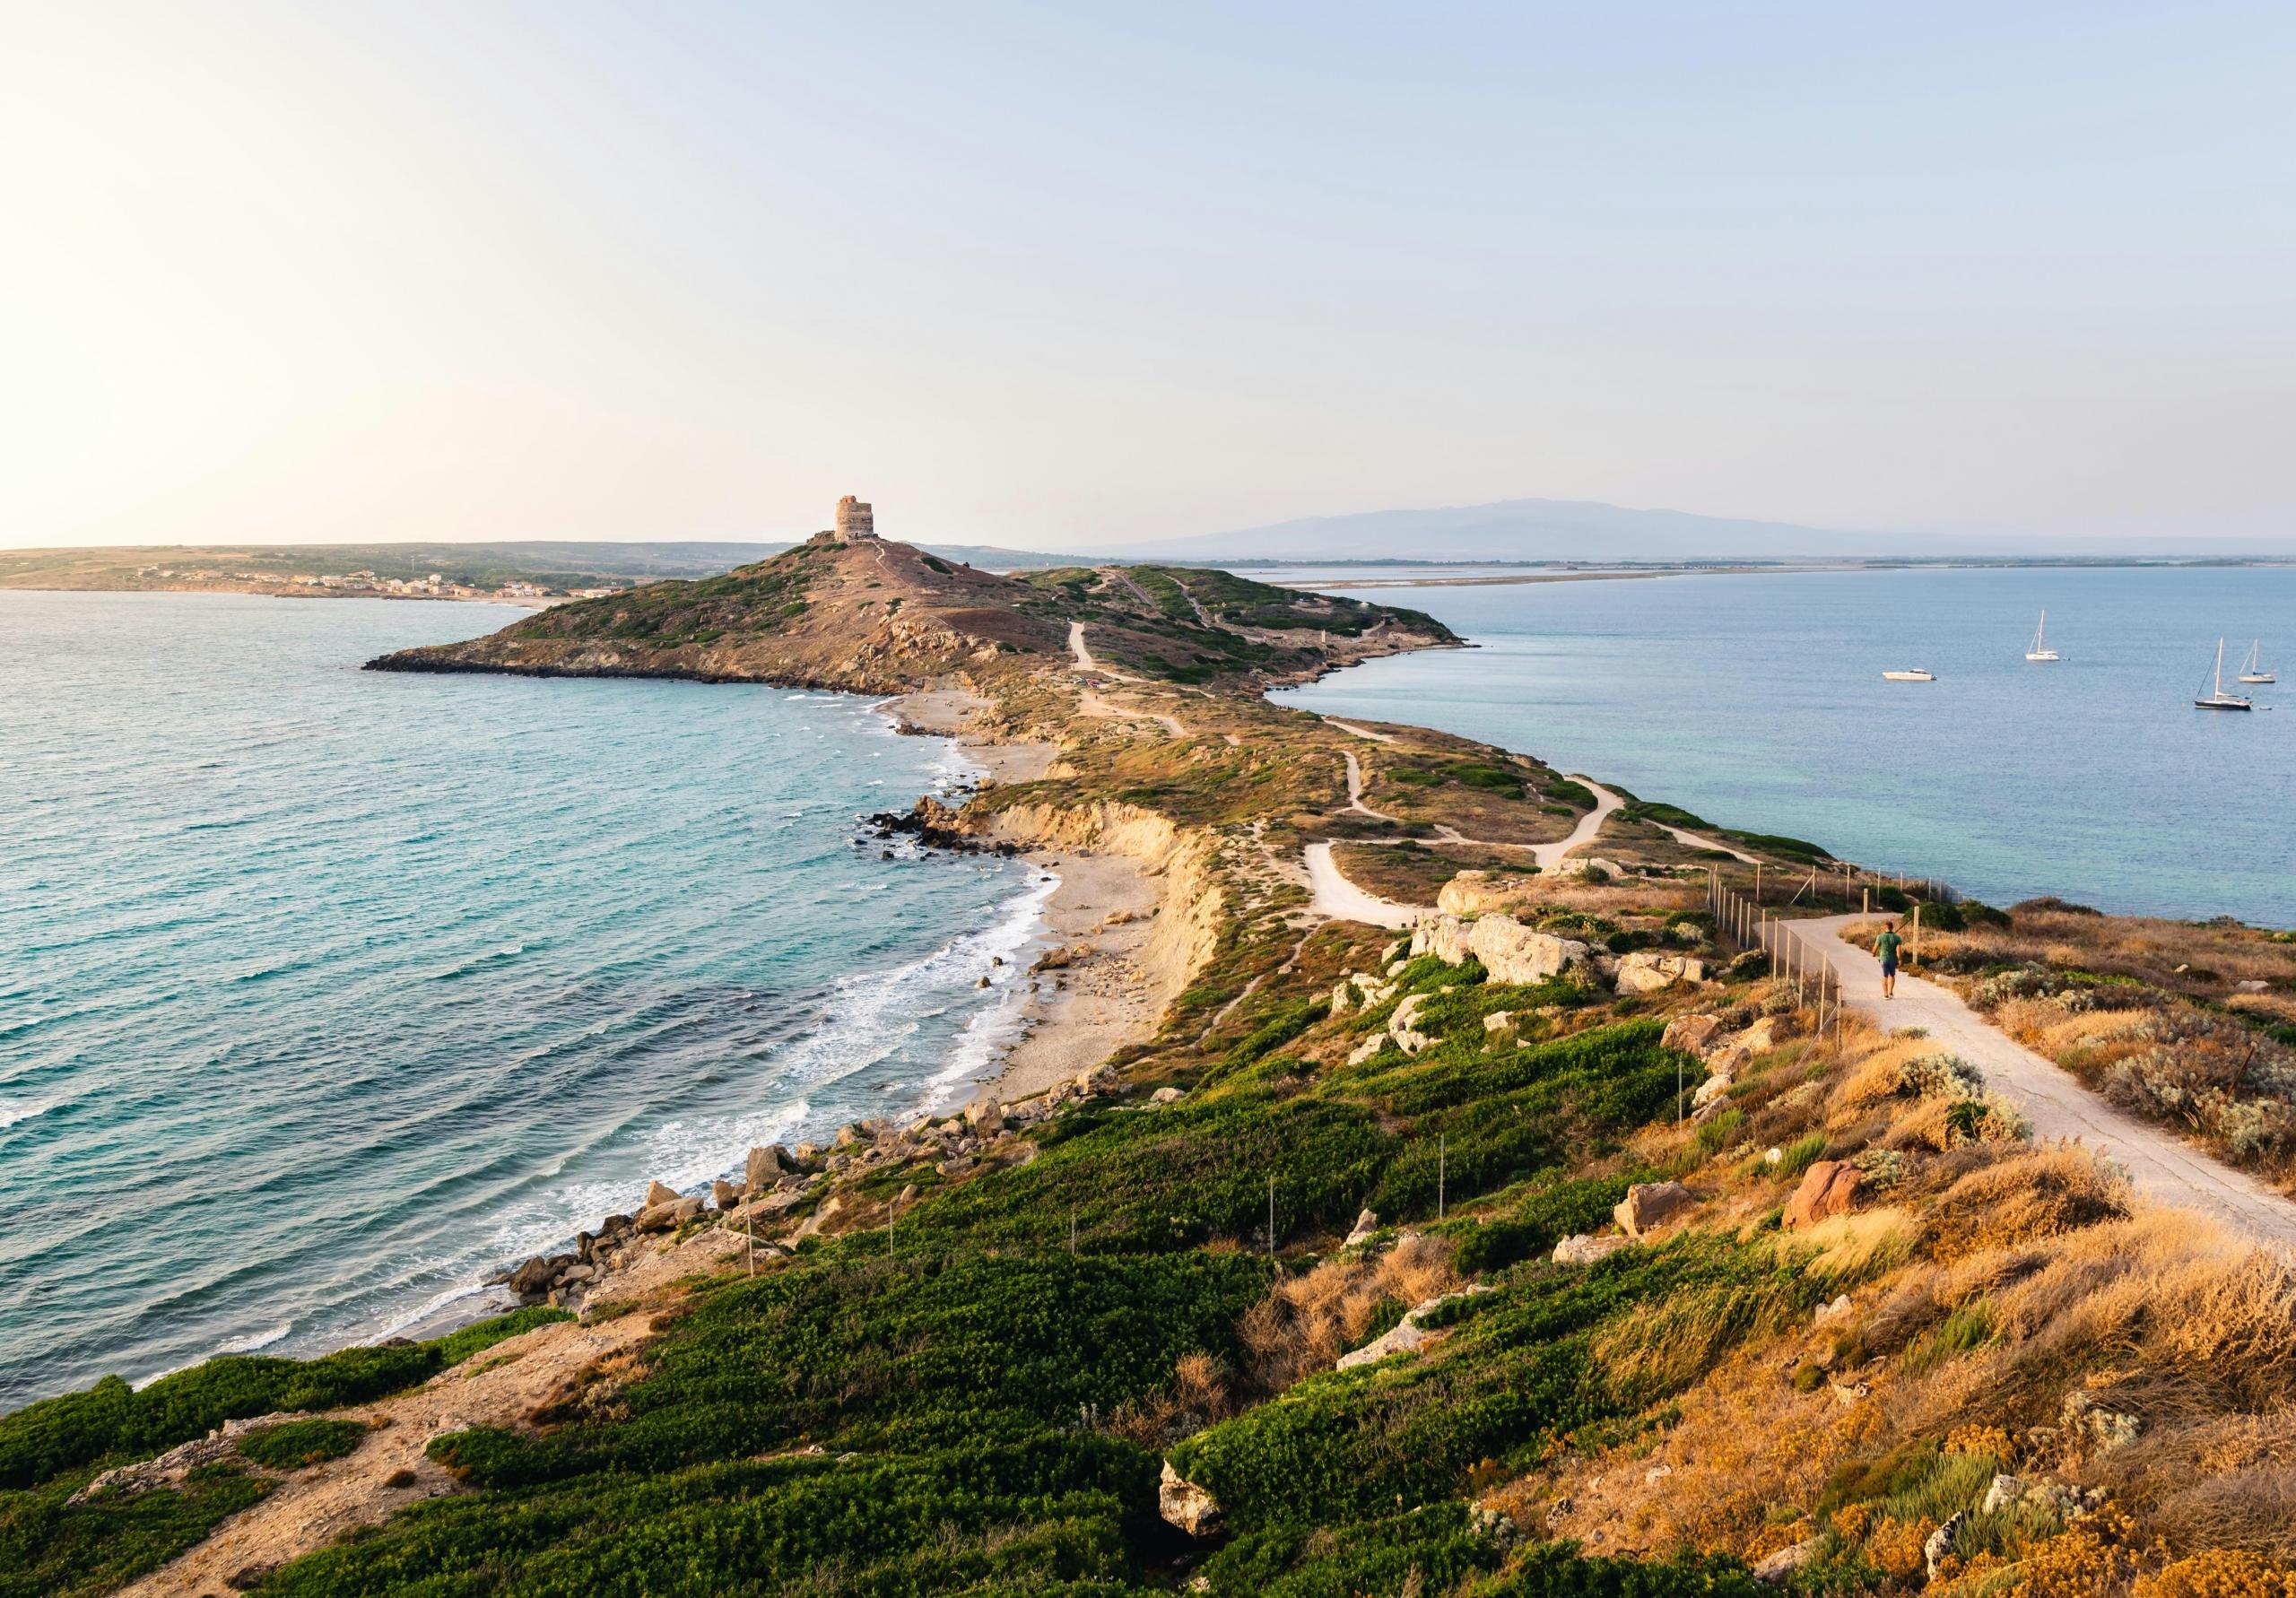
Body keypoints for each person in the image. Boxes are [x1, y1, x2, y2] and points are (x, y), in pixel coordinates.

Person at [1872, 919, 1905, 999]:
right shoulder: (1897, 938)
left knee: (1884, 976)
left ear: (1885, 927)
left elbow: (1875, 949)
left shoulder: (1880, 937)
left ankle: (1885, 994)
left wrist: (1873, 953)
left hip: (1883, 959)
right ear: (1892, 927)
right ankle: (1890, 992)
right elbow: (1898, 951)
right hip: (1893, 960)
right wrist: (1899, 959)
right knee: (1892, 975)